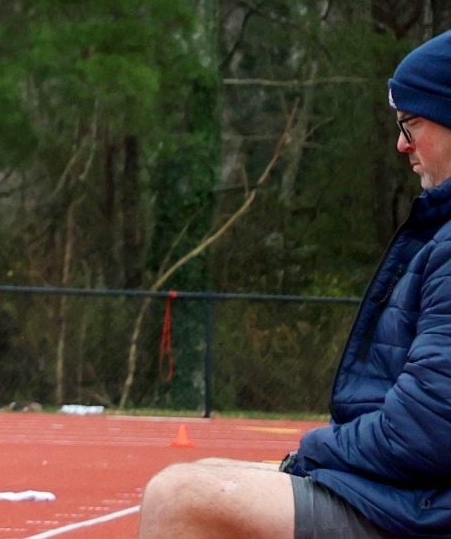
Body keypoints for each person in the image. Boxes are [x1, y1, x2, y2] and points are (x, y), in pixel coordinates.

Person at [139, 31, 451, 539]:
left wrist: (314, 451)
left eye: (411, 123)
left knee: (177, 498)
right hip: (419, 497)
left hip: (426, 510)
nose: (401, 144)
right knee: (208, 474)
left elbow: (425, 432)